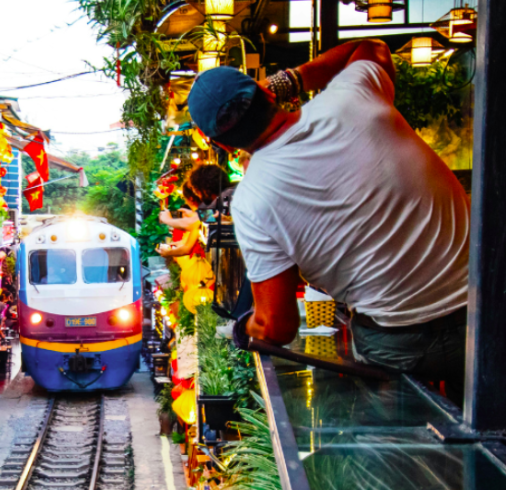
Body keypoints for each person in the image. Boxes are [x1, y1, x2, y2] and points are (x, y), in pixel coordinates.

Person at [187, 40, 469, 401]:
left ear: (223, 145)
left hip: (399, 344)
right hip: (487, 306)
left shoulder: (252, 201)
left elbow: (276, 326)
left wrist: (246, 327)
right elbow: (370, 48)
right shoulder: (353, 96)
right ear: (266, 92)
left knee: (413, 448)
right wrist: (293, 78)